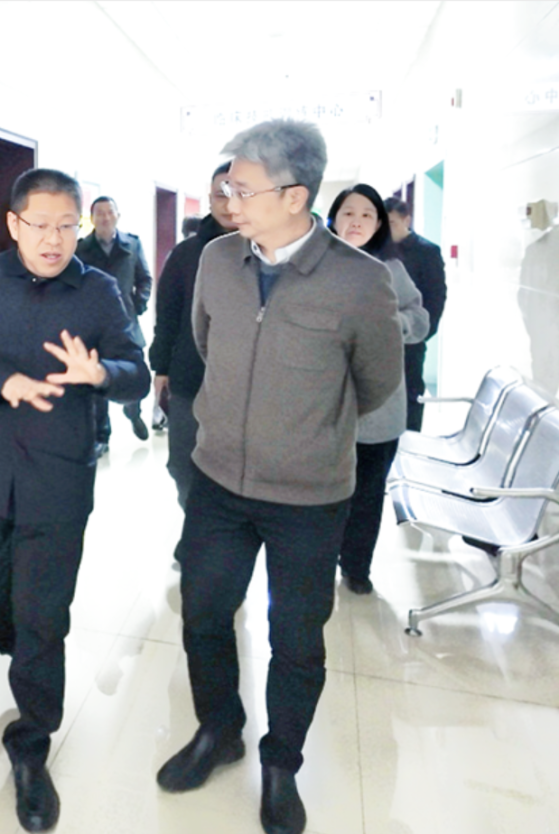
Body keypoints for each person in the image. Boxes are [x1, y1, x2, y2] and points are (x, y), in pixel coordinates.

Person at [157, 120, 402, 834]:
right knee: (204, 614)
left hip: (308, 495)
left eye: (243, 188)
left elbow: (377, 381)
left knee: (295, 639)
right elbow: (206, 342)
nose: (228, 199)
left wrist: (306, 428)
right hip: (218, 481)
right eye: (227, 185)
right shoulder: (217, 259)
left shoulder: (361, 280)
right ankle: (219, 730)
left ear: (295, 196)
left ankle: (282, 763)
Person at [0, 169, 149, 832]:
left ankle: (31, 741)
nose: (54, 240)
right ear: (13, 224)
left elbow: (137, 373)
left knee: (44, 614)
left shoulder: (98, 289)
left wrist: (100, 373)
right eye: (40, 225)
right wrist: (4, 382)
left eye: (66, 226)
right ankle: (20, 646)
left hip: (58, 479)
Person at [330, 186, 429, 594]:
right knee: (323, 493)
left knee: (368, 493)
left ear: (378, 225)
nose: (356, 221)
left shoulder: (390, 268)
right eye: (348, 212)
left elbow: (419, 318)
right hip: (322, 407)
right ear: (333, 219)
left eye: (367, 215)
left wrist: (393, 326)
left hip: (377, 409)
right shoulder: (312, 266)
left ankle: (356, 566)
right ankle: (321, 557)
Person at [149, 161, 238, 508]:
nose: (229, 203)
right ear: (209, 198)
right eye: (221, 194)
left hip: (248, 386)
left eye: (239, 193)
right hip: (191, 377)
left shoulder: (269, 252)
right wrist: (161, 368)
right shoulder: (186, 254)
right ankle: (196, 525)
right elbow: (168, 314)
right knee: (183, 464)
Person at [74, 195, 153, 453]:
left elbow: (145, 278)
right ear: (92, 218)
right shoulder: (81, 249)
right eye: (99, 213)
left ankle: (133, 412)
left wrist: (138, 304)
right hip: (94, 325)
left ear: (118, 216)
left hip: (126, 321)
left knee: (132, 370)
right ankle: (102, 436)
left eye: (110, 212)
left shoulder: (133, 244)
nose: (105, 218)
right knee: (97, 378)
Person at [383, 197, 447, 431]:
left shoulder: (426, 251)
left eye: (391, 223)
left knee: (411, 392)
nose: (386, 229)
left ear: (406, 220)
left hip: (411, 340)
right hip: (381, 339)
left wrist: (420, 334)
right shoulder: (378, 251)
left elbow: (435, 298)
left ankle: (410, 439)